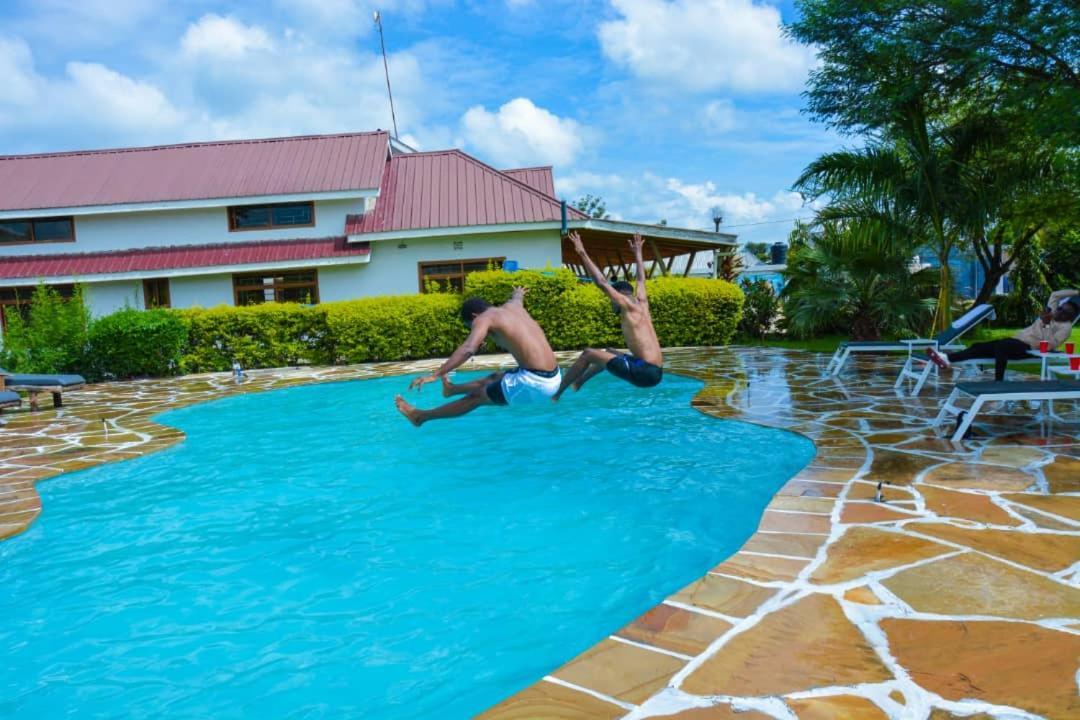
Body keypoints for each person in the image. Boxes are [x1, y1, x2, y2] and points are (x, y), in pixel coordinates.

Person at [395, 286, 560, 426]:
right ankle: (452, 390)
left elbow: (468, 348)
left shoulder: (483, 318)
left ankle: (420, 417)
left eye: (471, 326)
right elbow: (517, 298)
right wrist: (518, 292)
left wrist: (435, 375)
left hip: (536, 383)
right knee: (496, 377)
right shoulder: (513, 307)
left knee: (477, 397)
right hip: (555, 375)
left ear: (474, 316)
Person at [553, 231, 663, 401]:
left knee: (588, 354)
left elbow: (602, 283)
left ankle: (556, 394)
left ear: (618, 295)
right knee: (610, 352)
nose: (612, 303)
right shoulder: (642, 303)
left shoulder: (625, 304)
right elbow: (641, 280)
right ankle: (579, 382)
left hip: (645, 372)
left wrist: (581, 251)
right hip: (654, 371)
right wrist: (638, 253)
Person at [927, 290, 1079, 381]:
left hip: (1029, 349)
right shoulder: (1051, 312)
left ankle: (999, 382)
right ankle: (947, 359)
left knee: (1002, 347)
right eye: (1060, 309)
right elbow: (1055, 294)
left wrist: (1045, 324)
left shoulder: (1065, 328)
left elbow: (1050, 345)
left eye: (1066, 313)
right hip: (1015, 341)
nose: (1061, 312)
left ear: (1070, 318)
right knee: (978, 346)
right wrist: (1077, 293)